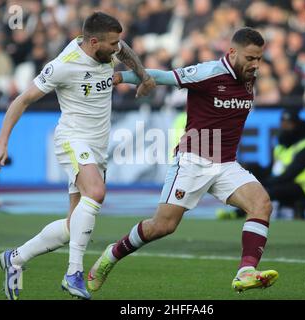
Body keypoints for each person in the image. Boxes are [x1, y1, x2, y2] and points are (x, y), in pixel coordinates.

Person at [87, 27, 279, 294]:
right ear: (232, 52)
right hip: (193, 159)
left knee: (261, 204)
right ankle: (112, 254)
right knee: (163, 226)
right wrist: (121, 77)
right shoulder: (209, 73)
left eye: (259, 58)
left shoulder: (248, 76)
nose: (256, 65)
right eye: (250, 58)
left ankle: (246, 271)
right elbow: (162, 76)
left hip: (225, 163)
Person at [0, 12, 156, 300]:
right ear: (93, 42)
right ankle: (73, 274)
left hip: (98, 147)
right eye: (112, 43)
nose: (117, 48)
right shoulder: (63, 66)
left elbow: (126, 51)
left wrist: (143, 76)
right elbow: (22, 100)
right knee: (96, 191)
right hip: (72, 139)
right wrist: (1, 143)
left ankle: (15, 258)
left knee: (71, 226)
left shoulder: (109, 48)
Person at [217, 108, 305, 220]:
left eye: (288, 124)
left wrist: (264, 183)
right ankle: (240, 210)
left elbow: (290, 174)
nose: (284, 127)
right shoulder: (281, 147)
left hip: (302, 188)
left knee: (267, 191)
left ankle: (238, 214)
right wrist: (251, 170)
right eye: (282, 123)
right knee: (252, 171)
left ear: (297, 126)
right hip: (282, 182)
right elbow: (270, 170)